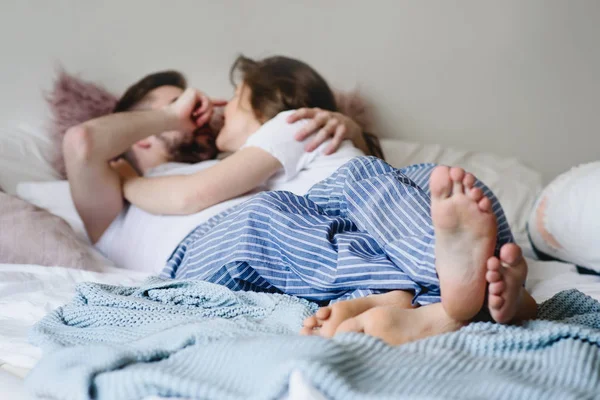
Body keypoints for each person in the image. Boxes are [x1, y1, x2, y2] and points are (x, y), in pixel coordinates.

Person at [143, 55, 538, 345]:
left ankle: (423, 300)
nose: (218, 108)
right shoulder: (146, 180)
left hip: (323, 228)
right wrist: (126, 180)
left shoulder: (292, 127)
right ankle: (474, 294)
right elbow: (187, 194)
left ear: (267, 106)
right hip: (235, 246)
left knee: (424, 183)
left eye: (234, 97)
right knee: (369, 182)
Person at [63, 61, 377, 272]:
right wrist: (171, 117)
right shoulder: (113, 205)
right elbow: (81, 142)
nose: (204, 112)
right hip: (227, 263)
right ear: (139, 136)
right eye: (176, 103)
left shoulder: (243, 163)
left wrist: (347, 127)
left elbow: (356, 187)